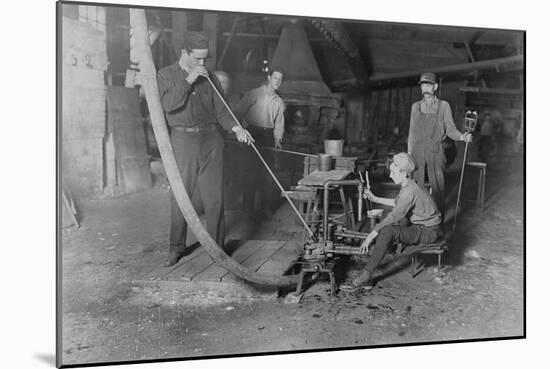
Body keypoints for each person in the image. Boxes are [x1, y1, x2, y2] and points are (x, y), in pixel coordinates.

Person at [157, 32, 252, 267]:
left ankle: (217, 249)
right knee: (181, 195)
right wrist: (188, 79)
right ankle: (176, 247)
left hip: (211, 139)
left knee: (215, 197)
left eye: (205, 59)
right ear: (184, 53)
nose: (202, 64)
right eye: (197, 59)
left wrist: (236, 128)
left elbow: (221, 109)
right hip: (182, 141)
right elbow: (168, 106)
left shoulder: (210, 78)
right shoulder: (165, 75)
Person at [341, 152, 443, 291]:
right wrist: (375, 199)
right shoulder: (410, 185)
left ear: (404, 173)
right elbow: (398, 203)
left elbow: (396, 214)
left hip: (428, 232)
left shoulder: (409, 191)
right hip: (421, 225)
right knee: (386, 218)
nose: (390, 175)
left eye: (393, 172)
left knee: (387, 230)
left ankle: (365, 277)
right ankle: (381, 250)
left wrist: (370, 236)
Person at [407, 72, 472, 219]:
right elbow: (412, 133)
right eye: (423, 85)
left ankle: (437, 219)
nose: (425, 89)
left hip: (436, 151)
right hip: (417, 151)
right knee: (416, 186)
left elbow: (450, 129)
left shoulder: (444, 106)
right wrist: (409, 155)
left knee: (438, 187)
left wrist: (462, 136)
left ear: (435, 87)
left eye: (428, 85)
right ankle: (416, 217)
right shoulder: (415, 107)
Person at [236, 66, 285, 217]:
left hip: (268, 137)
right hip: (252, 134)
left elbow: (279, 124)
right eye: (275, 78)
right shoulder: (254, 94)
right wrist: (242, 130)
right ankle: (247, 209)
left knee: (267, 174)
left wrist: (278, 140)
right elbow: (238, 112)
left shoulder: (279, 102)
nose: (277, 82)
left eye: (280, 80)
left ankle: (266, 208)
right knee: (250, 173)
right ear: (269, 78)